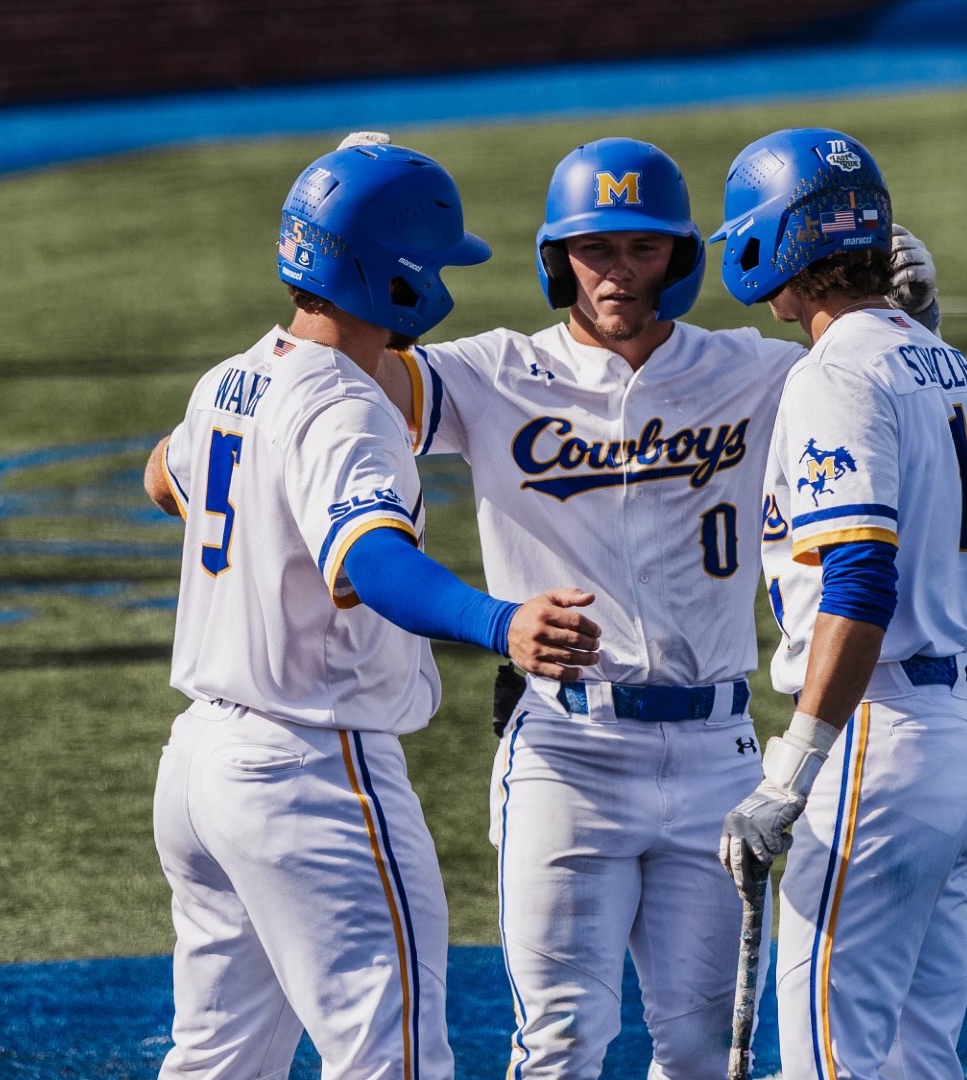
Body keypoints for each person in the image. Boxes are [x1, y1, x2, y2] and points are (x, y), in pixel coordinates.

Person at [345, 130, 939, 1076]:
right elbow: (339, 376)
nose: (617, 272)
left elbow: (877, 401)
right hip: (564, 753)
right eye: (595, 249)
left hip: (718, 753)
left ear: (680, 258)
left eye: (641, 247)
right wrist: (352, 234)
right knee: (561, 1042)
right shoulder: (489, 371)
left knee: (701, 1050)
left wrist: (910, 321)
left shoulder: (756, 368)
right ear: (557, 259)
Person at [139, 143, 602, 1079]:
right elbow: (374, 561)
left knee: (219, 1062)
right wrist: (499, 621)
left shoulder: (231, 378)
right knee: (395, 1063)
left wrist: (276, 533)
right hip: (309, 769)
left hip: (198, 770)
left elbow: (163, 475)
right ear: (396, 274)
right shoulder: (348, 407)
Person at [712, 128, 967, 1080]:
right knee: (920, 1061)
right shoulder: (947, 363)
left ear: (779, 243)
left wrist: (790, 770)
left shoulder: (835, 374)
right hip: (962, 738)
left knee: (828, 1063)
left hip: (878, 746)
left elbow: (860, 582)